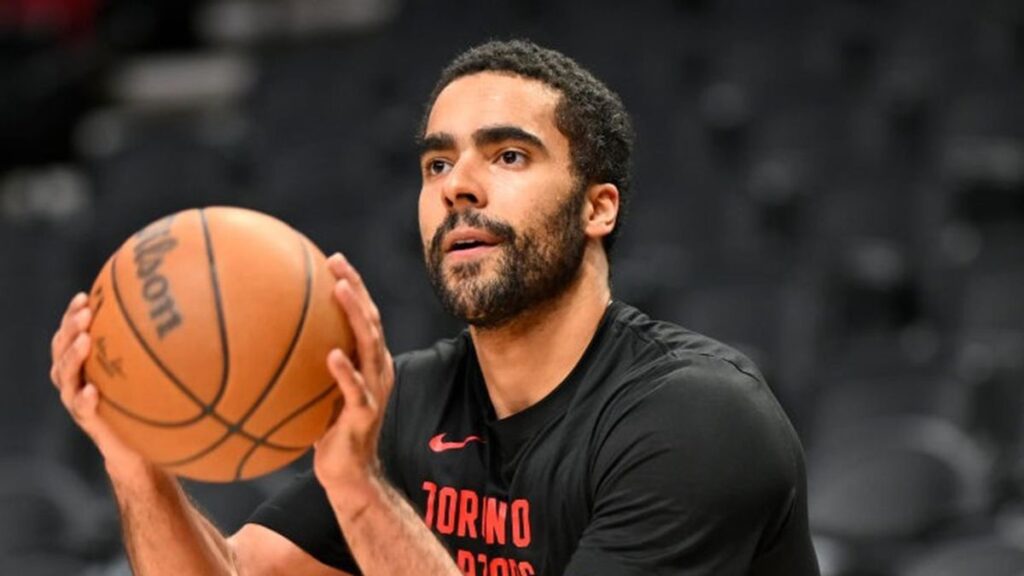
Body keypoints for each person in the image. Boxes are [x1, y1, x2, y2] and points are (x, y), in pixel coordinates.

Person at [49, 39, 821, 575]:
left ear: (598, 208)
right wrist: (136, 459)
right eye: (438, 163)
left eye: (508, 155)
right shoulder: (410, 401)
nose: (458, 186)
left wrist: (360, 492)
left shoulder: (696, 420)